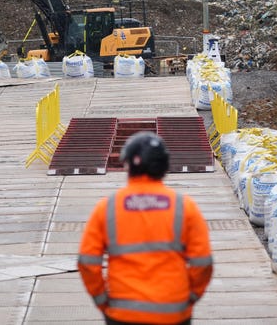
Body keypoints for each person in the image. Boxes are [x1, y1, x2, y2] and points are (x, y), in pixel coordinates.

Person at [78, 131, 213, 325]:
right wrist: (190, 296)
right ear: (164, 166)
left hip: (122, 313)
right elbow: (203, 263)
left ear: (128, 165)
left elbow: (87, 262)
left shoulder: (107, 208)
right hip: (173, 312)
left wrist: (102, 301)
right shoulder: (184, 207)